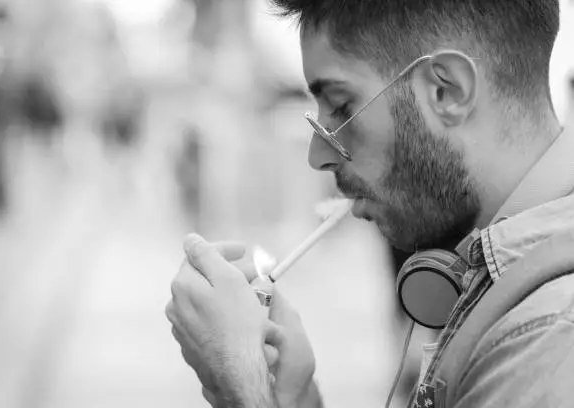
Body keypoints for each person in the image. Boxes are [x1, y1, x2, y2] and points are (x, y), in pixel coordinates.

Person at [166, 1, 574, 407]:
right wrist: (294, 400)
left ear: (446, 91)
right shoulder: (491, 270)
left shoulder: (548, 338)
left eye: (342, 108)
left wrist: (243, 385)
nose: (318, 156)